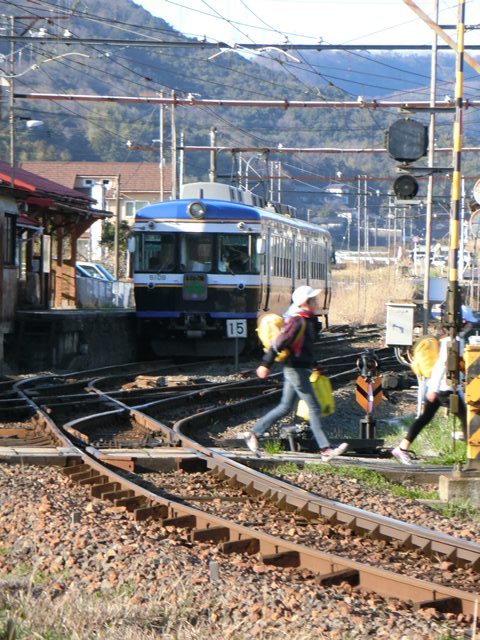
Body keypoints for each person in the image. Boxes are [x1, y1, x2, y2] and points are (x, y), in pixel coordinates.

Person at [244, 285, 348, 461]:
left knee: (285, 407)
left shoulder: (307, 321)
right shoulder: (296, 321)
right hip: (295, 370)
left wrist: (314, 365)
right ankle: (325, 449)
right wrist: (265, 364)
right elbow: (279, 344)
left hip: (300, 368)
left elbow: (303, 349)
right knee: (314, 407)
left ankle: (254, 433)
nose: (316, 302)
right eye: (313, 300)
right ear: (305, 303)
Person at [392, 304, 476, 465]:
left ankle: (402, 448)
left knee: (425, 418)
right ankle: (473, 456)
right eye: (468, 322)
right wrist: (433, 389)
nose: (471, 325)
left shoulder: (452, 339)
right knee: (467, 419)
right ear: (462, 323)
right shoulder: (452, 341)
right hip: (444, 389)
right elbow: (441, 365)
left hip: (445, 388)